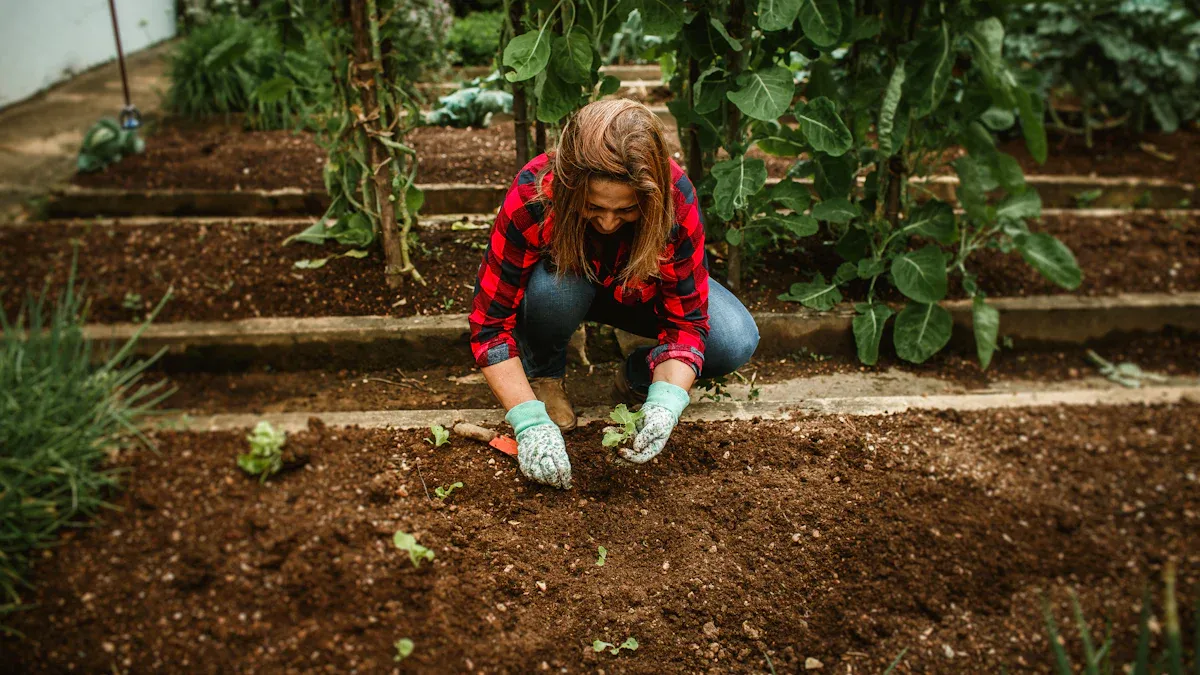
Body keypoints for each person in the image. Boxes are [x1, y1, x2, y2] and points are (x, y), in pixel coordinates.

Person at [468, 99, 760, 489]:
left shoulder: (675, 200)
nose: (607, 222)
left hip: (639, 294)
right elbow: (490, 327)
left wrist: (666, 403)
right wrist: (528, 422)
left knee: (733, 339)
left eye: (625, 212)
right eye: (592, 207)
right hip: (562, 287)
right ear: (570, 189)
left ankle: (640, 378)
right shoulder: (534, 195)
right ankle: (545, 375)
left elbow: (687, 323)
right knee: (553, 294)